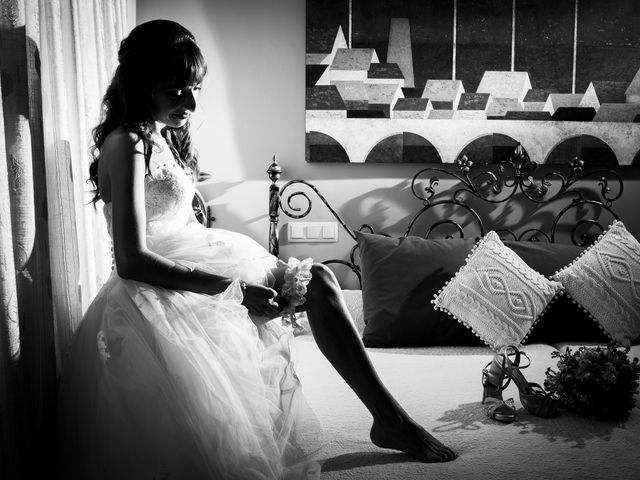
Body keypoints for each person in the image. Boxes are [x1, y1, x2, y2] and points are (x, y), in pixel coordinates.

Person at [56, 19, 456, 480]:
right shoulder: (126, 144)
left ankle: (390, 418)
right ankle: (392, 420)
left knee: (320, 280)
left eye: (195, 88)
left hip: (191, 257)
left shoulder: (156, 135)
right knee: (313, 291)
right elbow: (132, 259)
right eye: (175, 91)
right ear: (143, 84)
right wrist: (233, 290)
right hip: (155, 284)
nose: (189, 102)